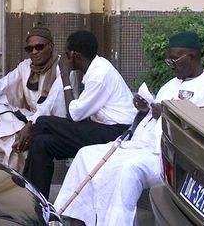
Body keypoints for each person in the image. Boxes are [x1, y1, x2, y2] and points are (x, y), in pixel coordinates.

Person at [55, 31, 204, 226]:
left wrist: (166, 114)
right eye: (168, 61)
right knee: (85, 155)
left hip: (167, 156)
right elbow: (154, 115)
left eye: (174, 61)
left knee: (128, 170)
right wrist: (145, 108)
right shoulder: (170, 85)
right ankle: (74, 220)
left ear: (192, 56)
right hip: (139, 145)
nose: (171, 66)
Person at [21, 30, 137, 199]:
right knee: (41, 142)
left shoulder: (99, 74)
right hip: (101, 129)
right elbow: (77, 113)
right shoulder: (95, 68)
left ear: (74, 55)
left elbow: (75, 114)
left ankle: (25, 178)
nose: (64, 58)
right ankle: (35, 202)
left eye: (67, 54)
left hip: (117, 133)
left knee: (43, 122)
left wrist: (66, 76)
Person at [0, 26, 67, 172]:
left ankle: (12, 173)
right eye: (29, 49)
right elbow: (3, 84)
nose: (34, 52)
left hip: (52, 122)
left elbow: (50, 105)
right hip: (28, 120)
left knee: (16, 142)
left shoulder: (60, 68)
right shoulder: (26, 67)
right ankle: (18, 143)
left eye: (39, 47)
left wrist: (29, 126)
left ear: (51, 46)